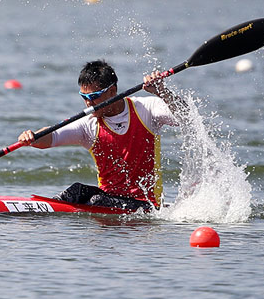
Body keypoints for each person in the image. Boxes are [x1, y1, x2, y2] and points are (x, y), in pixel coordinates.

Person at [17, 60, 186, 211]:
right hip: (107, 199)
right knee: (77, 190)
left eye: (94, 97)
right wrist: (33, 137)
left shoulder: (146, 108)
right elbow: (52, 137)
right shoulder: (88, 124)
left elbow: (186, 117)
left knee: (96, 199)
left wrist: (162, 91)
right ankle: (43, 211)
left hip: (145, 204)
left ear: (112, 91)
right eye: (84, 97)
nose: (89, 103)